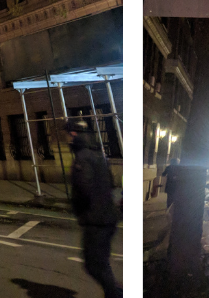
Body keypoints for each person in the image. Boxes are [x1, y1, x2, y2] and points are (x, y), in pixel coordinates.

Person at [65, 119, 119, 298]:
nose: (68, 139)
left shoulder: (82, 158)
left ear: (74, 134)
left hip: (95, 220)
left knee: (94, 264)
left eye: (69, 134)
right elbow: (111, 184)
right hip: (107, 217)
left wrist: (77, 207)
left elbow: (84, 189)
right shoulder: (98, 155)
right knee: (102, 263)